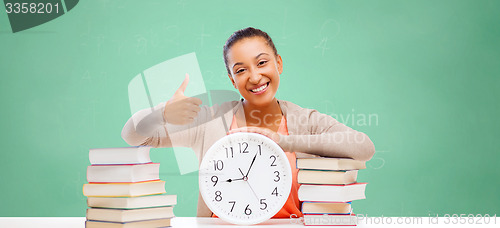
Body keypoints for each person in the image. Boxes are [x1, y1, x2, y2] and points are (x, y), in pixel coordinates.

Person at [121, 27, 375, 218]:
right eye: (241, 70)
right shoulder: (210, 122)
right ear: (232, 80)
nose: (254, 77)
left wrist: (284, 142)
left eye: (262, 62)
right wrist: (162, 113)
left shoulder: (305, 120)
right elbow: (134, 136)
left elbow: (364, 147)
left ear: (279, 64)